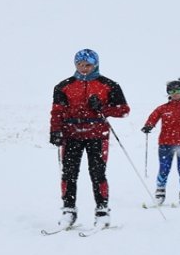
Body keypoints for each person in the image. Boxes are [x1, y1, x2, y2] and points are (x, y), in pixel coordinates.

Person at [50, 49, 130, 227]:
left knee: (97, 173)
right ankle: (68, 210)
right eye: (80, 64)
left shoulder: (109, 85)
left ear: (95, 64)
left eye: (88, 65)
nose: (84, 68)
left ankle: (102, 210)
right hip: (71, 134)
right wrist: (55, 131)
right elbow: (57, 111)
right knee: (69, 173)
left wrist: (103, 107)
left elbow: (124, 110)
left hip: (97, 134)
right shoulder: (63, 86)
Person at [141, 78, 180, 205]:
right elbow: (153, 117)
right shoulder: (163, 108)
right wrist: (149, 125)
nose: (174, 93)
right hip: (166, 143)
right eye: (171, 91)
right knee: (164, 168)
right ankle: (160, 192)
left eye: (177, 90)